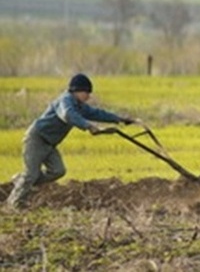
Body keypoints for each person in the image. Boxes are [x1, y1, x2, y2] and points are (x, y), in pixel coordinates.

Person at [6, 73, 138, 210]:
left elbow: (97, 113)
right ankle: (13, 205)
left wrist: (120, 119)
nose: (88, 96)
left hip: (50, 143)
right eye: (86, 92)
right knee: (31, 174)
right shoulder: (65, 101)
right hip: (37, 138)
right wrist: (89, 126)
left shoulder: (80, 106)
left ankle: (20, 180)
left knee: (58, 171)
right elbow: (68, 115)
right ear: (77, 90)